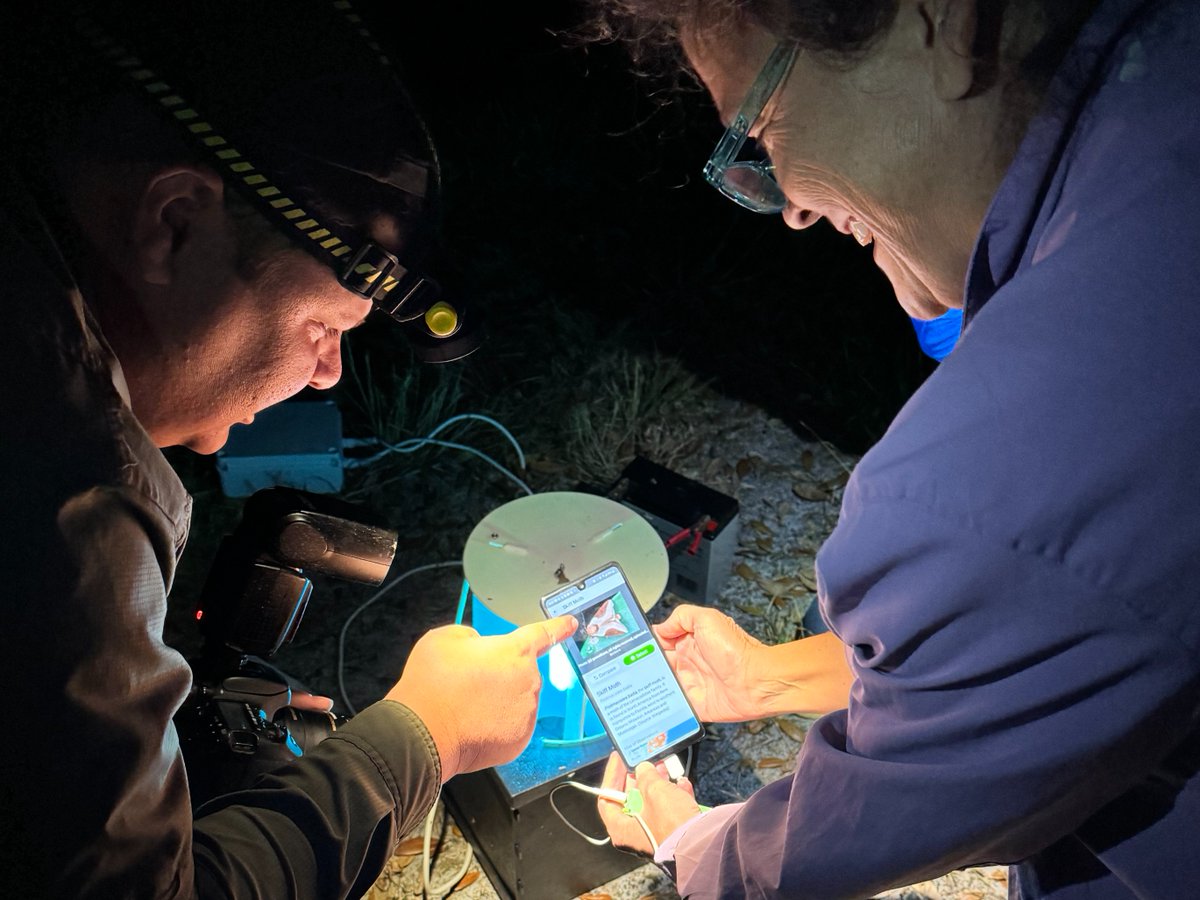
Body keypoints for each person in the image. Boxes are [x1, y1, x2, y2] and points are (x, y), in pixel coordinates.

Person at [585, 0, 1200, 897]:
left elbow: (854, 836)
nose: (786, 204)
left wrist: (691, 842)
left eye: (757, 128)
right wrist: (764, 678)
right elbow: (1053, 641)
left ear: (943, 25)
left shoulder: (991, 479)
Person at [0, 3, 575, 897]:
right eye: (321, 325)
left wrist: (150, 739)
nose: (325, 375)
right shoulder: (65, 492)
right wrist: (421, 738)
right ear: (176, 224)